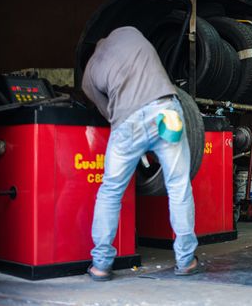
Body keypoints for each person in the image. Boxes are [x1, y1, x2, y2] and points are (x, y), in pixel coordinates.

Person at [82, 26, 199, 281]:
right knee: (178, 186)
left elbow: (107, 112)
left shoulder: (90, 72)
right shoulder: (131, 32)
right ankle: (186, 260)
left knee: (111, 191)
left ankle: (101, 265)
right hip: (166, 111)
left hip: (127, 123)